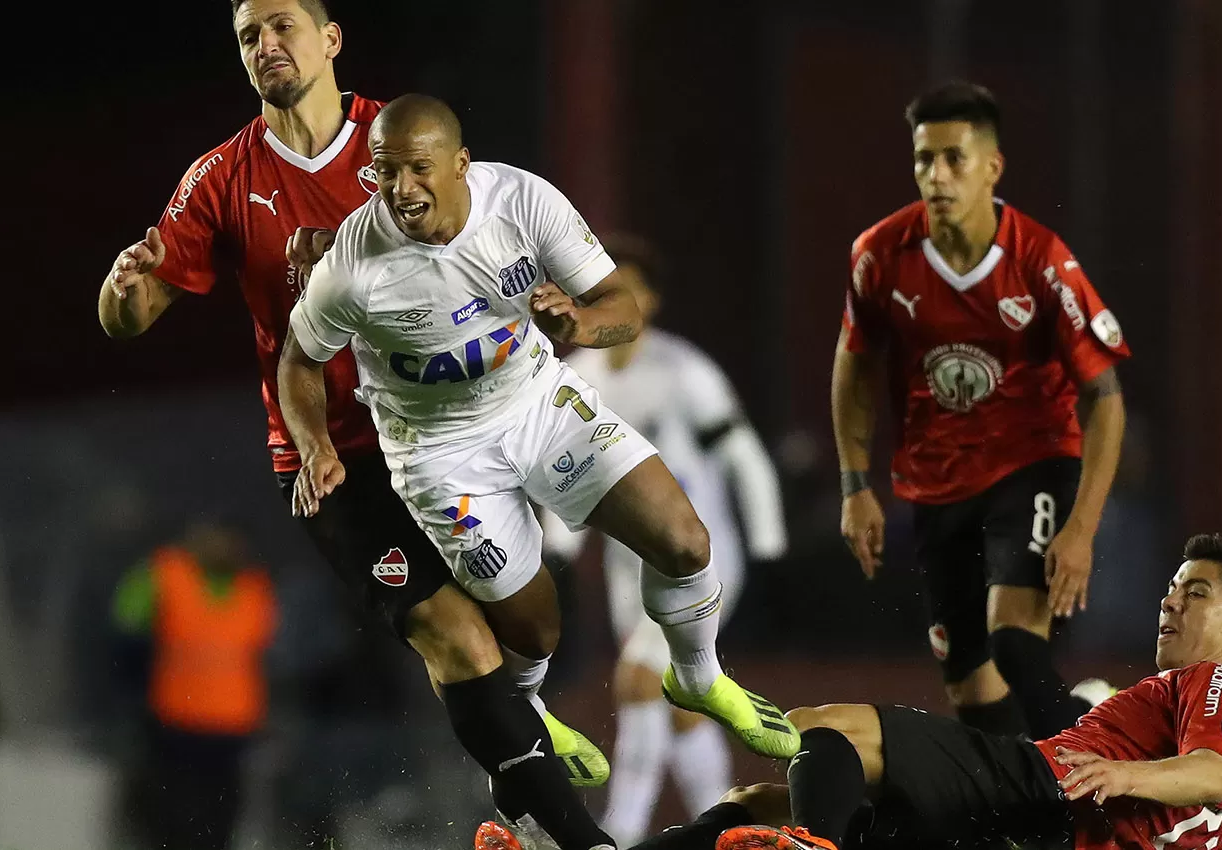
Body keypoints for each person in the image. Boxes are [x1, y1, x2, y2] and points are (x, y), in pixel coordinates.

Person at [95, 0, 607, 841]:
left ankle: (522, 733)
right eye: (248, 36)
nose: (266, 46)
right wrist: (123, 288)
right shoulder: (223, 179)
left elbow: (476, 240)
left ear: (331, 39)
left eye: (282, 25)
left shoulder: (401, 145)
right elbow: (133, 313)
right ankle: (581, 835)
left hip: (445, 432)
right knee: (451, 636)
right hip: (329, 454)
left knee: (524, 624)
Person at [279, 93, 801, 850]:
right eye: (384, 174)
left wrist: (583, 325)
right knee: (536, 627)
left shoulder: (523, 201)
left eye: (417, 169)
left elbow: (616, 303)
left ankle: (696, 672)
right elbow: (299, 361)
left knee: (687, 542)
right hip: (440, 456)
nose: (401, 190)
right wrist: (314, 441)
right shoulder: (355, 263)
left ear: (461, 164)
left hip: (539, 405)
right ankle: (529, 725)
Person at [832, 80, 1130, 740]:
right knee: (972, 694)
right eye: (922, 160)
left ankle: (1099, 790)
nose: (935, 176)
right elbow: (854, 367)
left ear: (992, 168)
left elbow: (1106, 399)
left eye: (953, 159)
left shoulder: (1041, 261)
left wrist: (1081, 528)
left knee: (1017, 646)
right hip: (936, 483)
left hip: (1033, 463)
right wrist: (855, 484)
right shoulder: (879, 256)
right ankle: (1067, 748)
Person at [714, 532, 1222, 850]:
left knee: (825, 727)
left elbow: (1209, 771)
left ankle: (810, 843)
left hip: (1044, 789)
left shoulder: (1218, 683)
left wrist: (1124, 774)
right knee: (755, 805)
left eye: (1196, 593)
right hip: (1027, 827)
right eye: (1173, 588)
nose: (1169, 602)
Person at [540, 235, 789, 845]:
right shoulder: (572, 378)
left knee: (638, 680)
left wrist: (770, 547)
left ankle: (618, 833)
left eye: (623, 292)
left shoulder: (684, 372)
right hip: (630, 571)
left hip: (699, 557)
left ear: (649, 302)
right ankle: (727, 828)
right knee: (681, 707)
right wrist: (559, 552)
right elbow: (554, 471)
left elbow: (743, 456)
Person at [111, 521, 278, 850]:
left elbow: (274, 656)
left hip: (231, 731)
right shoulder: (165, 575)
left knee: (218, 821)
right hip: (175, 726)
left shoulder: (255, 589)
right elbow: (125, 630)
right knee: (171, 818)